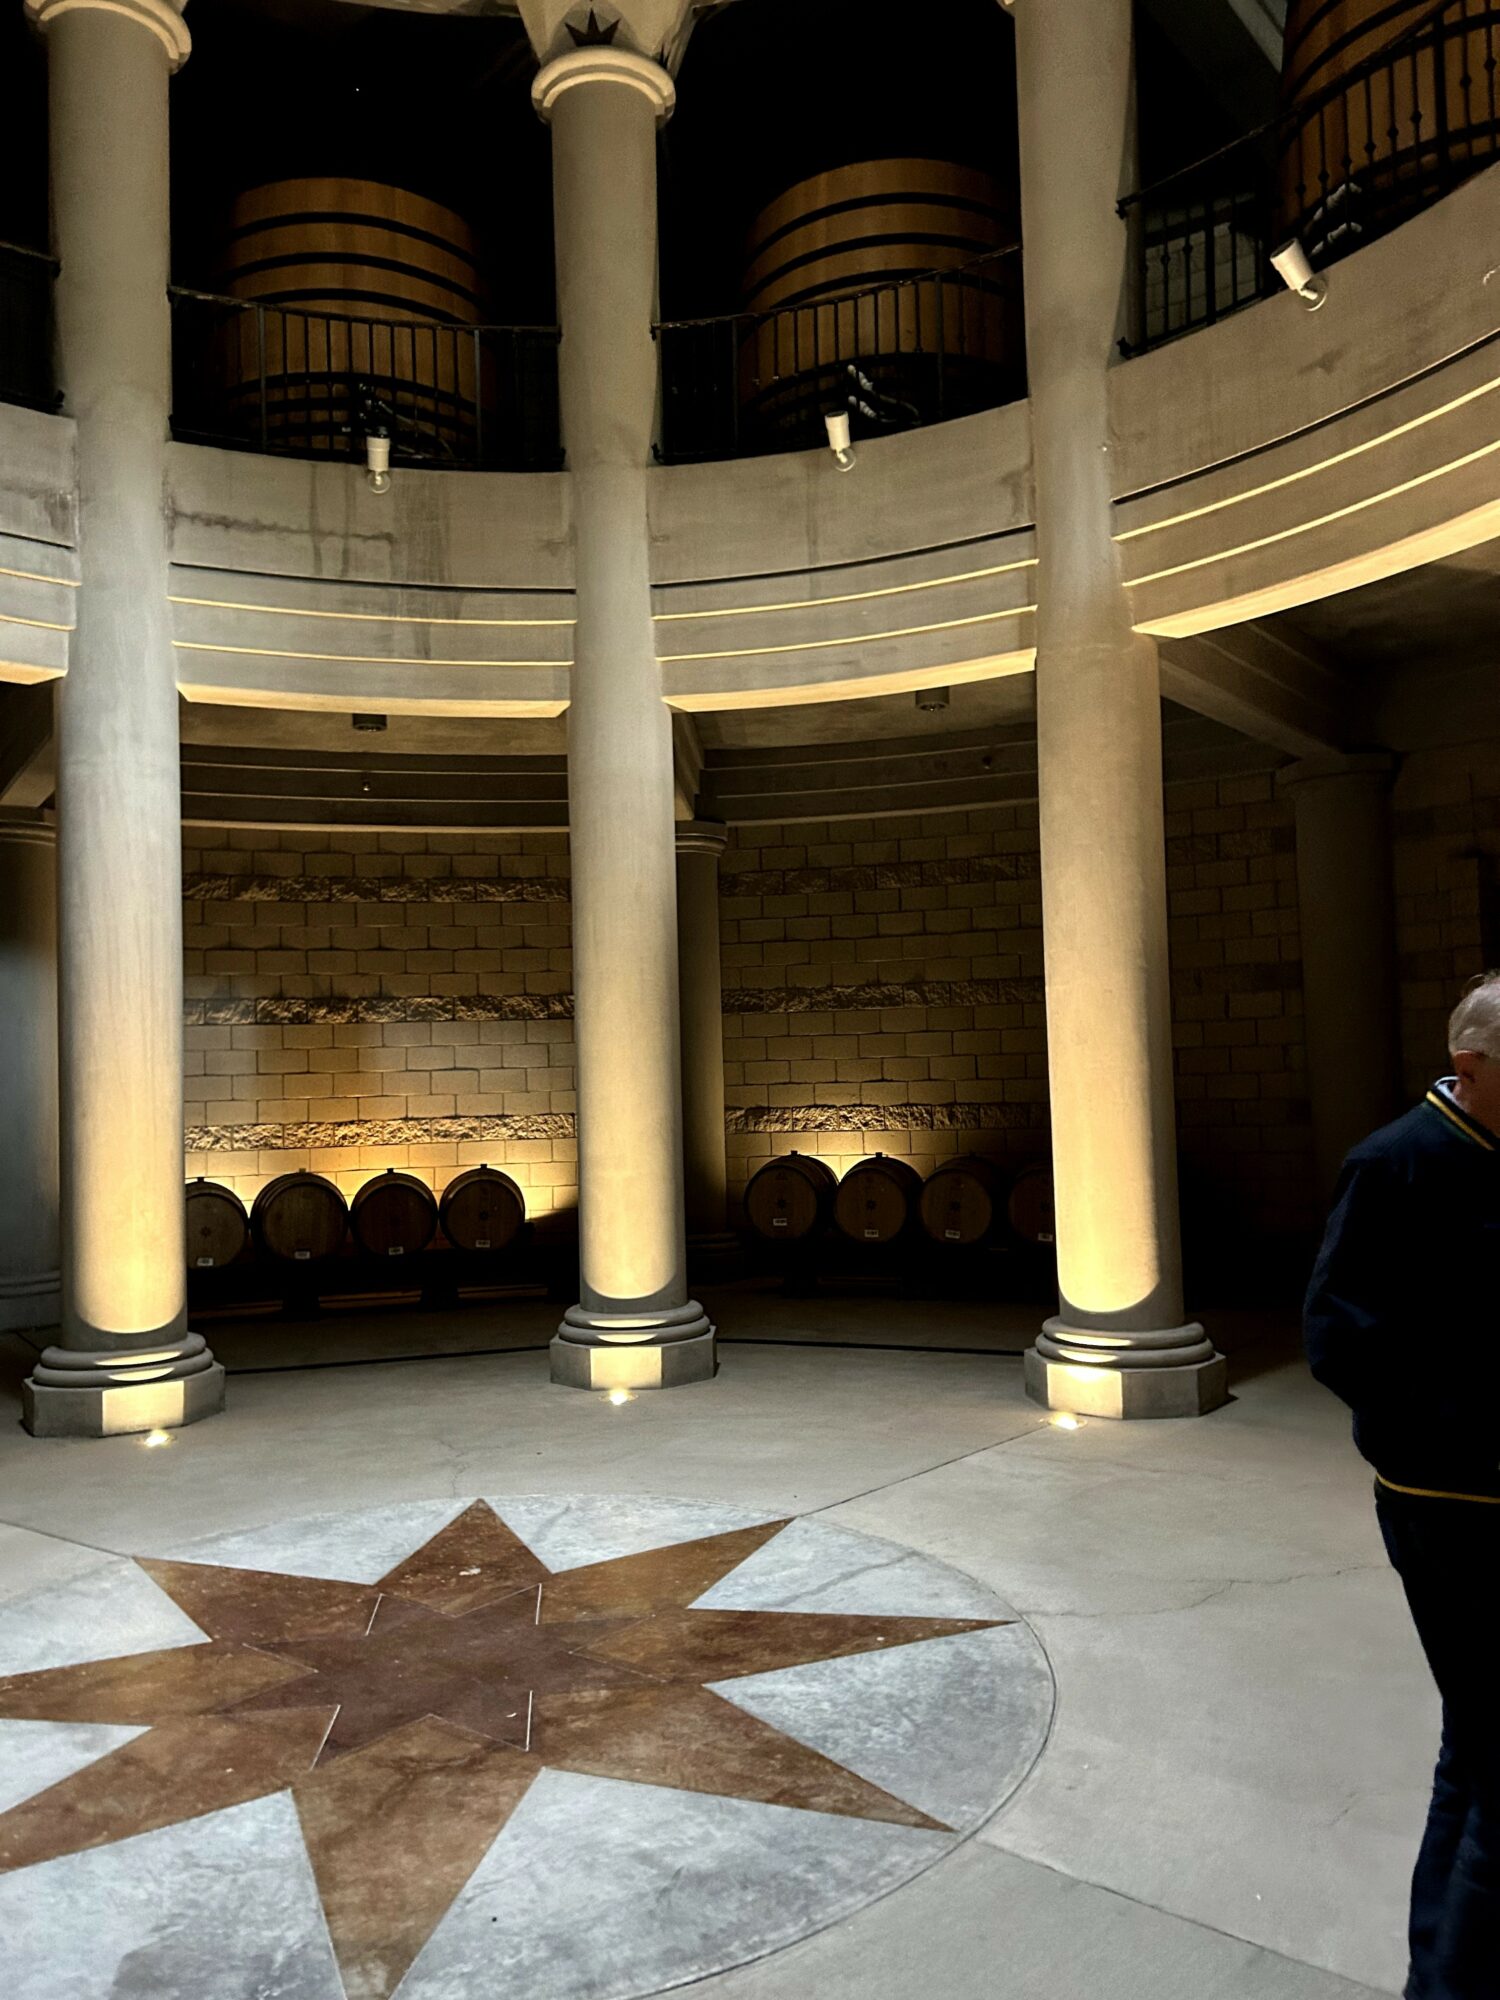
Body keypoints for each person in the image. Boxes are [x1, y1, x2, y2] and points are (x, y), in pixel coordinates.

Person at [1305, 972, 1500, 2000]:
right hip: (1452, 1509)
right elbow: (1337, 1336)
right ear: (1470, 1069)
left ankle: (1437, 1965)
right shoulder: (1394, 1164)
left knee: (1477, 1750)